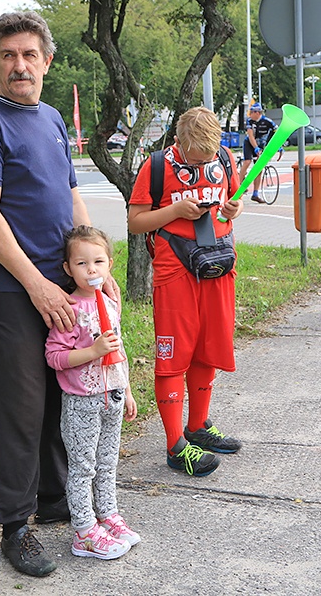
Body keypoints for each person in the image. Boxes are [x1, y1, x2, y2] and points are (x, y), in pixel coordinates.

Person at [0, 10, 117, 578]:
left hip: (61, 284)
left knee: (62, 391)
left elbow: (70, 194)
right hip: (11, 287)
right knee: (19, 406)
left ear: (47, 61)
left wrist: (94, 264)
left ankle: (52, 495)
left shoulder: (50, 117)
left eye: (29, 54)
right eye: (8, 55)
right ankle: (16, 525)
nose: (19, 65)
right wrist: (36, 283)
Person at [127, 106, 245, 478]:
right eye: (194, 160)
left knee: (208, 345)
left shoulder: (223, 157)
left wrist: (233, 208)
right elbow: (135, 222)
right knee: (174, 353)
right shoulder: (157, 167)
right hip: (175, 269)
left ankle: (198, 427)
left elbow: (229, 207)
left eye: (207, 159)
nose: (201, 165)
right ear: (178, 143)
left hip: (217, 264)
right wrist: (176, 209)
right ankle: (176, 445)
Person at [45, 225, 140, 561]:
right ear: (68, 269)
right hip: (82, 400)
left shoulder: (110, 303)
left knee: (107, 463)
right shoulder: (69, 310)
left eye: (98, 262)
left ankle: (108, 516)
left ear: (110, 264)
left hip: (111, 396)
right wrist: (92, 351)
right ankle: (84, 531)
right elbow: (54, 357)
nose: (91, 270)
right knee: (83, 467)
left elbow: (120, 350)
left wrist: (125, 389)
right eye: (82, 264)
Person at [240, 102, 278, 203]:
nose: (250, 114)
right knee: (247, 162)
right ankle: (239, 185)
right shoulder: (249, 121)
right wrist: (256, 148)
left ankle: (255, 193)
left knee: (259, 168)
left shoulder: (267, 121)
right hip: (249, 143)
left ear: (257, 112)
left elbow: (276, 132)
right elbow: (251, 136)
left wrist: (278, 146)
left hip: (261, 144)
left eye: (251, 112)